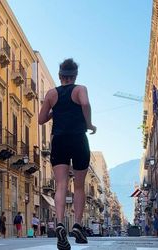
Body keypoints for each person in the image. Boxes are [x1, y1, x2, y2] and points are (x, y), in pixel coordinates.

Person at [39, 58, 96, 250]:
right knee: (79, 186)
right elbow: (85, 104)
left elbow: (41, 119)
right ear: (75, 76)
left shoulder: (51, 94)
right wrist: (89, 124)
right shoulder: (80, 89)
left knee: (61, 184)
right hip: (78, 138)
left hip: (59, 140)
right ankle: (78, 225)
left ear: (60, 76)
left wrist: (55, 112)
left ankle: (61, 223)